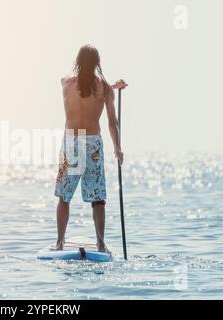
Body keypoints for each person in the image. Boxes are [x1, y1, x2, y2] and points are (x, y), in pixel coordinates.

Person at [54, 44, 128, 253]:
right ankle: (101, 244)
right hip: (93, 144)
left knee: (64, 196)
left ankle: (60, 242)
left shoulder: (66, 84)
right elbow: (112, 123)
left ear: (77, 62)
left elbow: (70, 82)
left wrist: (112, 87)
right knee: (98, 199)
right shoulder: (104, 88)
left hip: (72, 142)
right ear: (97, 64)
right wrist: (118, 148)